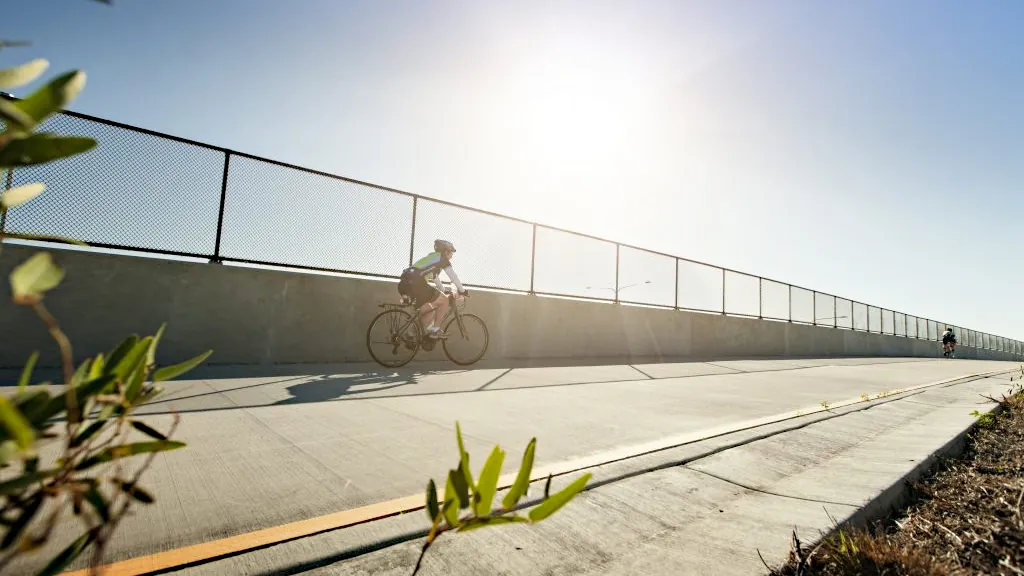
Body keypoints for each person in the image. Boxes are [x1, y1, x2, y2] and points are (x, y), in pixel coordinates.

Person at [398, 239, 468, 339]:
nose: (452, 256)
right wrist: (462, 291)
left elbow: (435, 279)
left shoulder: (433, 259)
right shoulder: (442, 259)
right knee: (445, 300)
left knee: (431, 311)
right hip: (417, 283)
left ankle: (412, 333)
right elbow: (453, 276)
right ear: (446, 251)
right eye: (451, 252)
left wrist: (443, 291)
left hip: (406, 284)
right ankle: (435, 331)